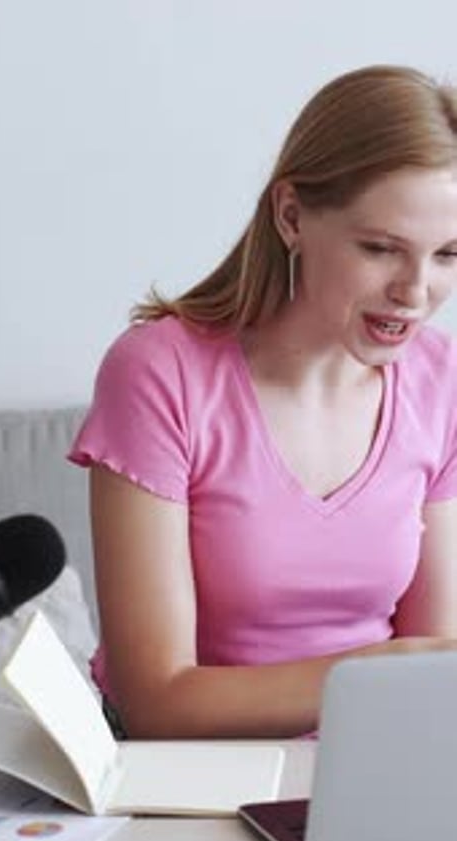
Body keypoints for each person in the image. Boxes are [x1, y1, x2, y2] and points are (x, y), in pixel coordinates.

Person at [69, 64, 457, 740]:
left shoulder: (441, 382)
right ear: (291, 215)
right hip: (183, 781)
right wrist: (377, 673)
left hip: (366, 765)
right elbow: (157, 701)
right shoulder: (160, 373)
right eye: (380, 249)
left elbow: (435, 669)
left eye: (450, 255)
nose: (416, 291)